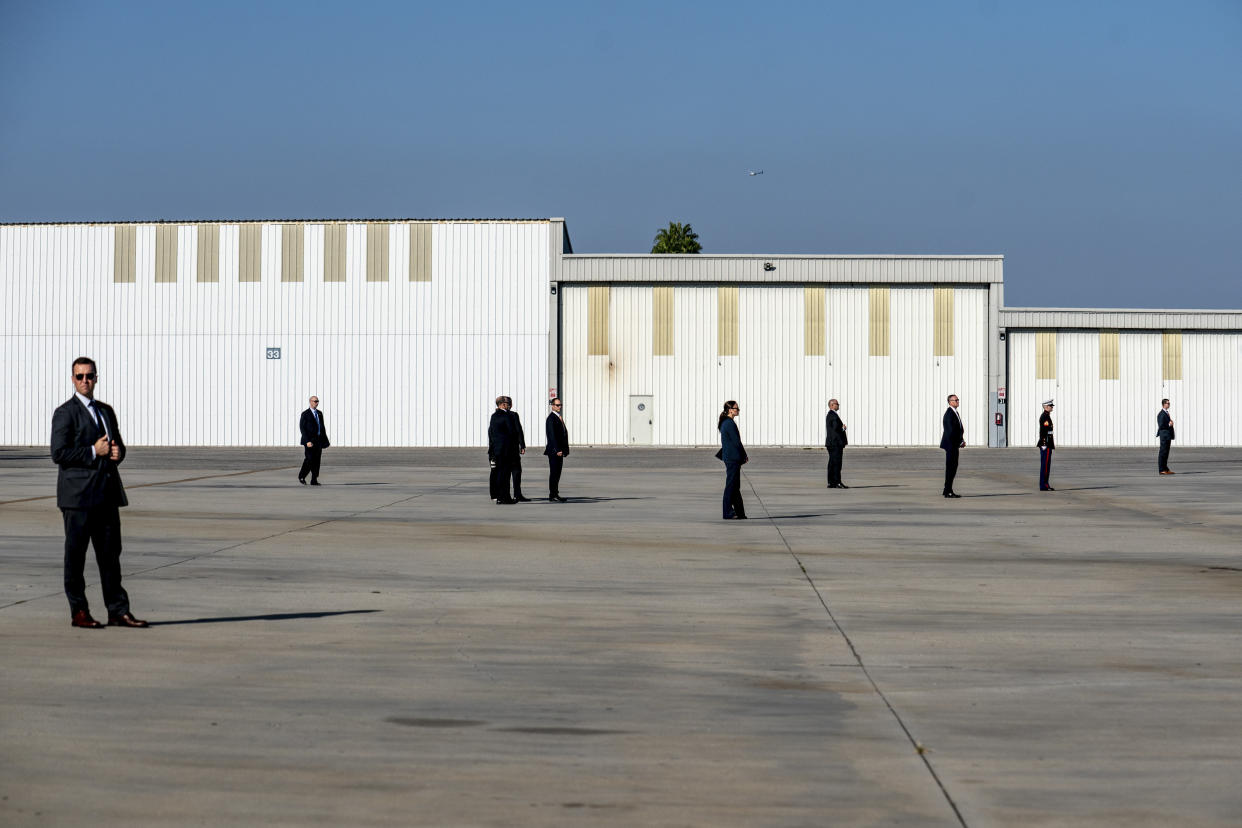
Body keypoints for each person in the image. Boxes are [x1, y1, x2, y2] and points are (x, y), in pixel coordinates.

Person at [50, 357, 148, 628]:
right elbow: (58, 453)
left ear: (96, 378)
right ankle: (79, 611)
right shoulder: (65, 413)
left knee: (110, 556)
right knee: (76, 557)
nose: (85, 381)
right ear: (72, 379)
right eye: (79, 376)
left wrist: (118, 453)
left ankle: (118, 610)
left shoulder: (105, 411)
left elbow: (117, 445)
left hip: (105, 495)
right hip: (78, 498)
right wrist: (94, 450)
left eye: (89, 376)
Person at [715, 400, 748, 519]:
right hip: (732, 458)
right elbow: (736, 442)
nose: (738, 410)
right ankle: (727, 512)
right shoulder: (729, 423)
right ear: (730, 410)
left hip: (731, 457)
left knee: (734, 486)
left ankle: (739, 512)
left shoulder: (727, 422)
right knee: (731, 485)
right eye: (736, 408)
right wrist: (744, 455)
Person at [488, 397, 517, 503]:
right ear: (503, 404)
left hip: (497, 450)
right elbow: (512, 432)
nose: (509, 405)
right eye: (508, 403)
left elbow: (492, 433)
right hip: (506, 450)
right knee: (505, 475)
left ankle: (499, 497)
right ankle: (505, 497)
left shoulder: (494, 416)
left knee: (499, 474)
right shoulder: (507, 416)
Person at [298, 396, 329, 485]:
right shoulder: (305, 414)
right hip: (309, 441)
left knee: (317, 460)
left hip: (318, 440)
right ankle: (302, 476)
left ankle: (314, 479)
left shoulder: (319, 413)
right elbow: (302, 428)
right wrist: (307, 440)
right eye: (315, 401)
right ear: (310, 402)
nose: (317, 403)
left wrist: (325, 440)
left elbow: (322, 427)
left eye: (317, 401)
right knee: (309, 459)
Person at [940, 393, 965, 498]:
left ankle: (947, 489)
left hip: (953, 444)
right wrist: (959, 441)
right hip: (951, 445)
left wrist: (961, 439)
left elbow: (958, 429)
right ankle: (948, 491)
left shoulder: (955, 413)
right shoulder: (949, 413)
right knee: (951, 468)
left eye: (958, 400)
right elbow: (950, 431)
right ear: (950, 402)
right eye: (956, 400)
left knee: (952, 467)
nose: (958, 401)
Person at [544, 397, 569, 502]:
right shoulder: (551, 418)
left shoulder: (558, 417)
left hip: (559, 450)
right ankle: (552, 495)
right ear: (552, 406)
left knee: (558, 473)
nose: (559, 407)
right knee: (554, 473)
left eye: (560, 405)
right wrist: (557, 449)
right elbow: (552, 436)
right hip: (554, 451)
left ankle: (555, 493)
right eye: (557, 405)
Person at [505, 397, 530, 502]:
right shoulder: (513, 415)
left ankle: (506, 495)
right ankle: (517, 494)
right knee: (516, 471)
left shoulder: (496, 416)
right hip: (512, 449)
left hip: (504, 449)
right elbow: (519, 430)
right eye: (509, 403)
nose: (511, 404)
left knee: (508, 473)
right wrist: (522, 445)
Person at [825, 398, 849, 489]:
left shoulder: (829, 415)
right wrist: (842, 428)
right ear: (832, 405)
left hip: (831, 443)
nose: (838, 405)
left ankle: (831, 482)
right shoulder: (833, 416)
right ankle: (837, 482)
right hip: (835, 444)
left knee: (832, 463)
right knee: (837, 463)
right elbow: (835, 428)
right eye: (837, 404)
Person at [1037, 399, 1056, 491]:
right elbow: (1043, 432)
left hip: (1048, 443)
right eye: (1050, 406)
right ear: (1046, 407)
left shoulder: (1047, 416)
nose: (1052, 407)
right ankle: (1043, 485)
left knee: (1046, 465)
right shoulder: (1045, 416)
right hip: (1046, 444)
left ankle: (1045, 484)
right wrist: (1044, 443)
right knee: (1045, 465)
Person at [1157, 399, 1175, 475]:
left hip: (1167, 436)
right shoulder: (1161, 414)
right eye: (1168, 403)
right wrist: (1169, 424)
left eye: (1169, 403)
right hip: (1164, 436)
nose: (1169, 404)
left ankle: (1165, 468)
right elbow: (1161, 425)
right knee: (1163, 452)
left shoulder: (1166, 413)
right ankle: (1161, 469)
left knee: (1166, 453)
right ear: (1164, 404)